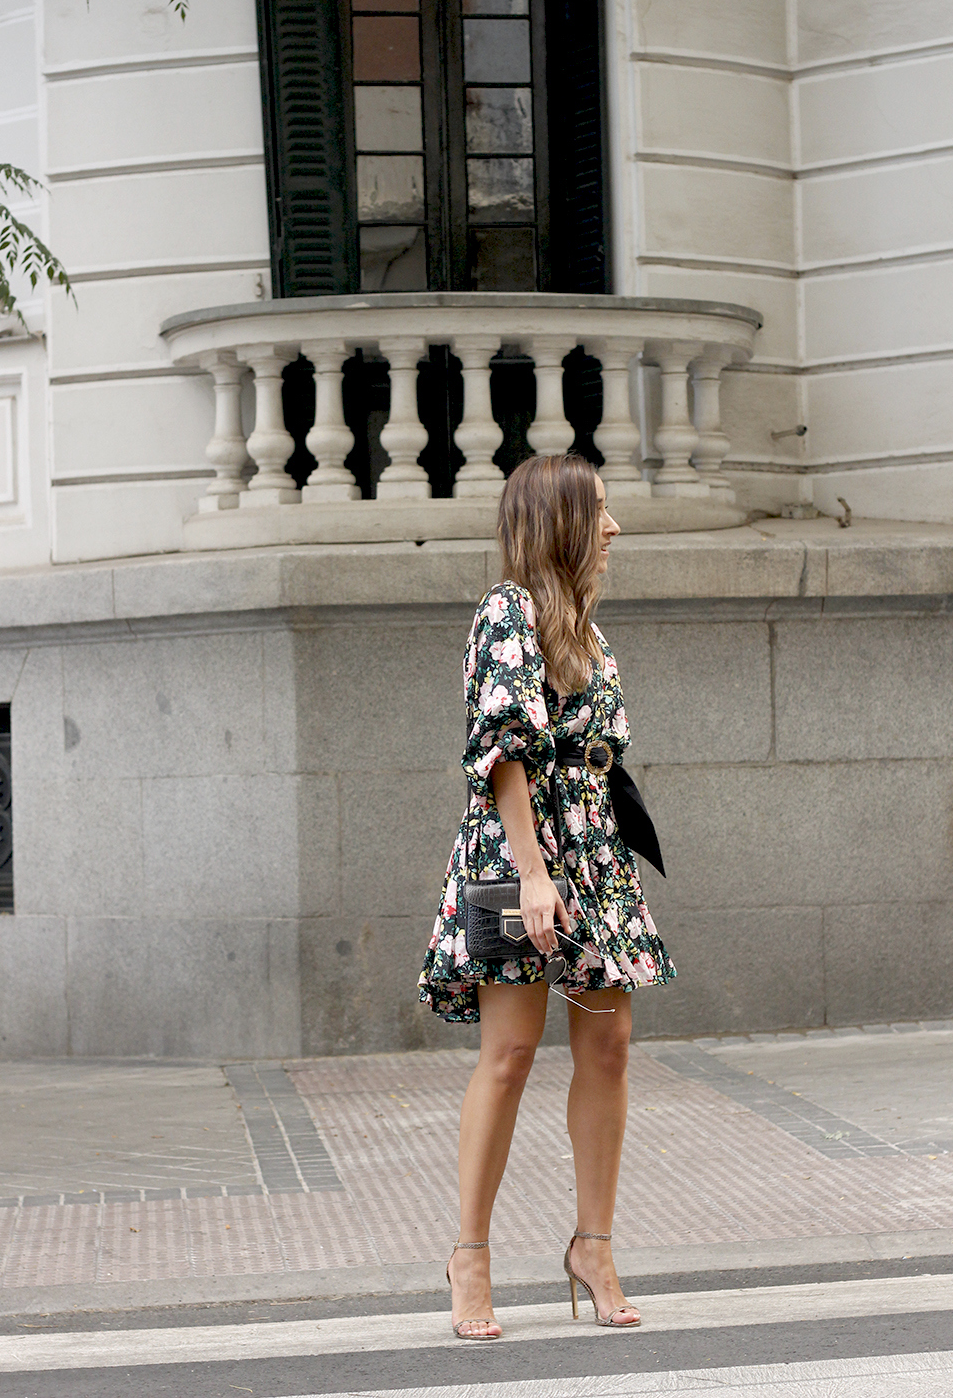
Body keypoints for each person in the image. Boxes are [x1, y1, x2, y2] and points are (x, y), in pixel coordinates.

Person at [418, 452, 676, 1340]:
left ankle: (593, 1246)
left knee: (609, 1048)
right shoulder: (506, 614)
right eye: (599, 512)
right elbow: (504, 752)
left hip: (594, 856)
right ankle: (470, 1255)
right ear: (559, 521)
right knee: (510, 1053)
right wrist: (531, 872)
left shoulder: (588, 633)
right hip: (511, 854)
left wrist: (587, 863)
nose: (613, 529)